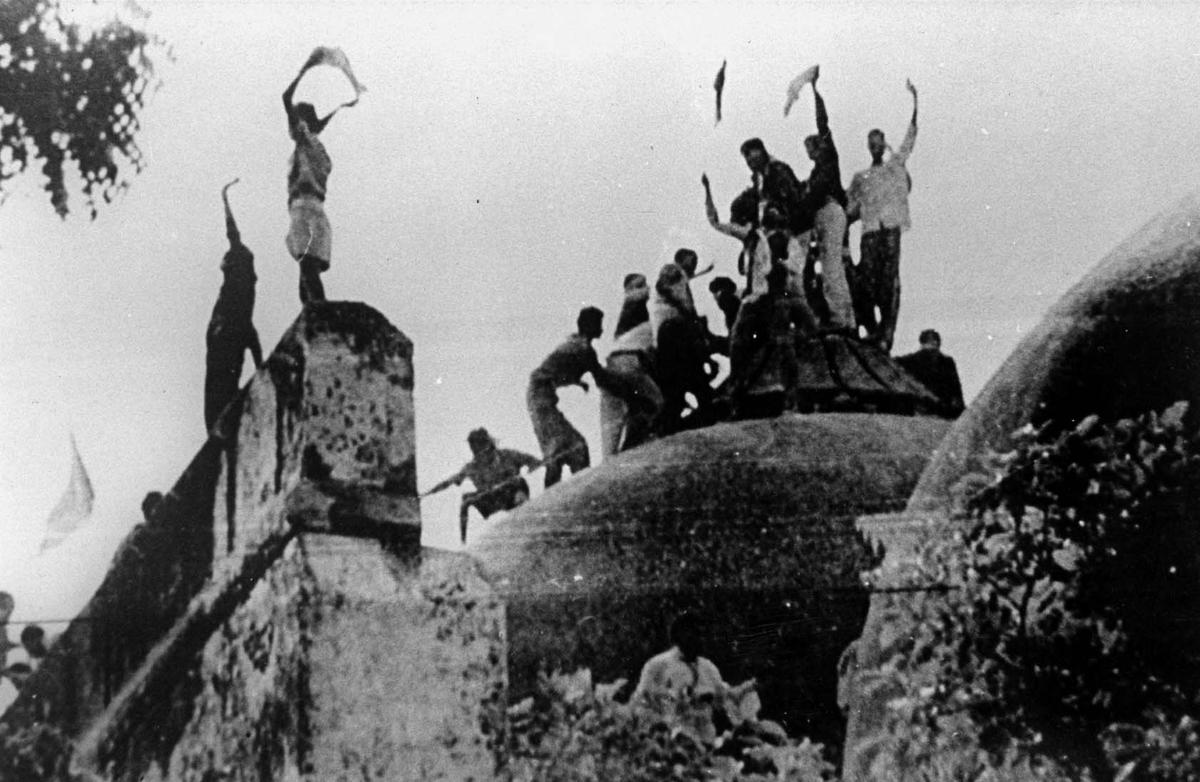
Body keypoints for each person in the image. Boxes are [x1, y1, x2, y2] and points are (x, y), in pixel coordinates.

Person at [283, 49, 362, 304]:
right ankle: (315, 316)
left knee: (307, 270)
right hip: (315, 209)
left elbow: (285, 98)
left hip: (304, 208)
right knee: (308, 271)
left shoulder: (306, 143)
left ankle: (321, 317)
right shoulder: (318, 150)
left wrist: (304, 69)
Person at [847, 80, 919, 352]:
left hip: (890, 228)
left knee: (888, 279)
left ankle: (886, 330)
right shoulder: (861, 178)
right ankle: (873, 328)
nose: (875, 148)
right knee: (868, 279)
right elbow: (849, 206)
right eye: (871, 144)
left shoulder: (894, 165)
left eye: (879, 143)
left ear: (883, 143)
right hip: (870, 232)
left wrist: (915, 102)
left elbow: (910, 137)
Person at [792, 65, 856, 333]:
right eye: (808, 150)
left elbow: (823, 123)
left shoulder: (829, 158)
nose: (811, 153)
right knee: (827, 268)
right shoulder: (815, 174)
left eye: (813, 148)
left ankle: (843, 319)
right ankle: (835, 316)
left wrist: (814, 91)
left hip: (830, 211)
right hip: (822, 215)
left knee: (831, 268)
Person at [527, 307, 617, 488]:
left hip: (538, 397)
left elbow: (558, 368)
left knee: (562, 448)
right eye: (599, 324)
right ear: (590, 326)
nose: (602, 329)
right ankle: (584, 489)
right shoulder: (584, 348)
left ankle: (556, 494)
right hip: (541, 398)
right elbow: (602, 378)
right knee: (572, 447)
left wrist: (576, 381)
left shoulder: (575, 343)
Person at [205, 180, 263, 431]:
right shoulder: (240, 283)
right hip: (224, 334)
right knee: (221, 382)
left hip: (228, 334)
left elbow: (233, 234)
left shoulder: (242, 278)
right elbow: (233, 233)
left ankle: (220, 423)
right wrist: (225, 201)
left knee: (224, 383)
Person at [729, 263, 818, 419]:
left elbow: (738, 340)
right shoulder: (792, 301)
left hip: (758, 361)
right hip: (782, 356)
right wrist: (796, 336)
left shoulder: (753, 302)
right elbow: (811, 329)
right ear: (786, 280)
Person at [425, 428, 540, 544]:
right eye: (476, 451)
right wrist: (428, 493)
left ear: (489, 445)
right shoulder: (472, 467)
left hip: (512, 493)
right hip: (492, 498)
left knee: (519, 484)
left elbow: (533, 461)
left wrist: (531, 468)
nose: (481, 455)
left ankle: (532, 521)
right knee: (466, 501)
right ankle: (463, 542)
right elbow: (450, 481)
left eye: (483, 449)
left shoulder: (507, 455)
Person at [651, 261, 719, 434]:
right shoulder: (675, 275)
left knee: (680, 389)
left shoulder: (678, 279)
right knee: (692, 384)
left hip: (669, 333)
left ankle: (670, 424)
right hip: (674, 331)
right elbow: (680, 299)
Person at [600, 274, 664, 458]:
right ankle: (631, 449)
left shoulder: (631, 313)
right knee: (655, 403)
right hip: (629, 362)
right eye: (639, 285)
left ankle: (622, 454)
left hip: (615, 363)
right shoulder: (633, 304)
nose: (646, 288)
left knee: (616, 423)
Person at [896, 329, 965, 417]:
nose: (934, 344)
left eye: (935, 342)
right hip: (927, 405)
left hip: (939, 406)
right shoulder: (912, 360)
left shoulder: (947, 362)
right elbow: (956, 389)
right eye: (931, 342)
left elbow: (956, 388)